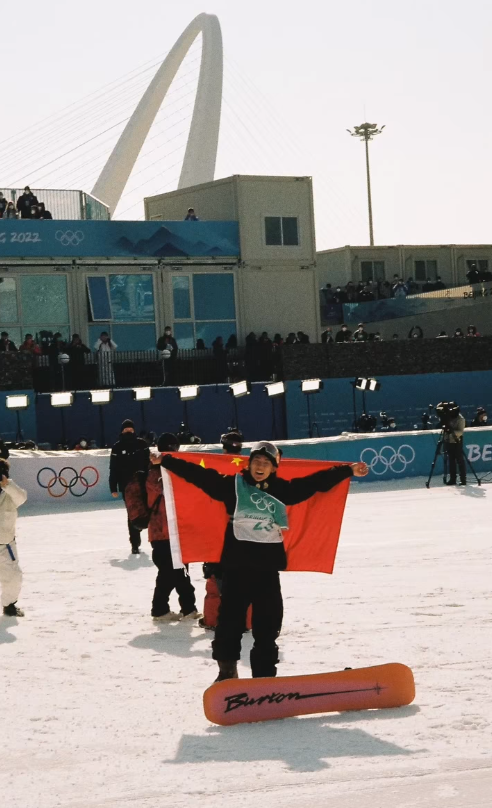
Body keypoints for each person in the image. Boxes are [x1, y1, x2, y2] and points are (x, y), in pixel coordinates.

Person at [151, 441, 368, 681]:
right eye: (257, 461)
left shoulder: (281, 490)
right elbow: (199, 475)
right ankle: (227, 674)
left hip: (266, 572)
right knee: (229, 625)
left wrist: (347, 471)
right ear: (249, 464)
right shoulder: (232, 486)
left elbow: (313, 483)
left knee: (268, 627)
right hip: (236, 570)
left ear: (274, 468)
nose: (260, 466)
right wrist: (167, 461)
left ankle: (264, 679)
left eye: (266, 463)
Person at [147, 432, 201, 621]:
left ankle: (187, 608)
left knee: (179, 571)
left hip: (175, 531)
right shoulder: (155, 473)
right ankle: (161, 609)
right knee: (170, 572)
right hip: (162, 532)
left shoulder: (168, 471)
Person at [110, 420, 150, 554]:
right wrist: (113, 487)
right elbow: (113, 468)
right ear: (122, 431)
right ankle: (135, 543)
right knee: (132, 513)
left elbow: (149, 463)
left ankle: (154, 537)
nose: (128, 431)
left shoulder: (142, 444)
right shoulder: (117, 447)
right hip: (126, 486)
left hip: (143, 483)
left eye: (130, 429)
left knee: (149, 509)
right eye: (126, 429)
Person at [0, 458, 28, 617]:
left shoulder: (10, 493)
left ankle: (9, 605)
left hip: (6, 546)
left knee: (14, 578)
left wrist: (7, 484)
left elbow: (22, 497)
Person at [442, 404, 467, 486]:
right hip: (448, 441)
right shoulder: (448, 417)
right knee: (451, 461)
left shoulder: (461, 419)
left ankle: (463, 479)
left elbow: (460, 432)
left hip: (457, 441)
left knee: (460, 460)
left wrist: (452, 431)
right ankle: (453, 479)